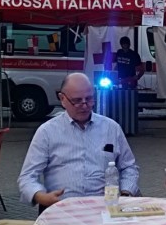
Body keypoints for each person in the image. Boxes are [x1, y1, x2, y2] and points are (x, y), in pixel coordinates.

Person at [18, 73, 139, 208]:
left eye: (89, 99)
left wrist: (126, 193)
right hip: (60, 208)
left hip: (105, 207)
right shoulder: (47, 132)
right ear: (62, 99)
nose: (84, 105)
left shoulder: (111, 128)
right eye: (77, 101)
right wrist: (41, 197)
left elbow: (129, 167)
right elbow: (27, 177)